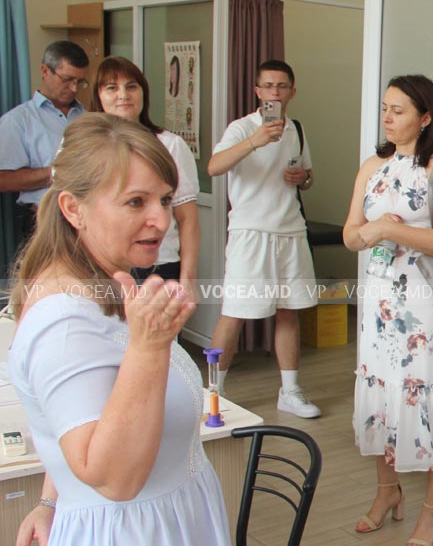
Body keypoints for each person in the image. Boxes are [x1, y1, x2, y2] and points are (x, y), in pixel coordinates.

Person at [9, 113, 229, 546]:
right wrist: (149, 347)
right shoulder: (63, 322)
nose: (161, 221)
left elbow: (77, 417)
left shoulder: (102, 283)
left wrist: (51, 499)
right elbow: (114, 478)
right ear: (74, 209)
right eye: (135, 202)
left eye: (165, 200)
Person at [341, 74, 433, 545]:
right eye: (385, 109)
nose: (388, 118)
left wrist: (389, 230)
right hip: (379, 304)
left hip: (426, 307)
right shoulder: (372, 165)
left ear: (426, 117)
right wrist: (370, 231)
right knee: (381, 397)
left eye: (398, 110)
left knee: (428, 399)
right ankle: (387, 493)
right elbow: (351, 234)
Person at [207, 59, 320, 418]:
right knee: (234, 314)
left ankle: (290, 391)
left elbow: (308, 177)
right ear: (257, 91)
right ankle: (213, 393)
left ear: (292, 91)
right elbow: (214, 166)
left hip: (290, 231)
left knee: (288, 312)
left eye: (281, 86)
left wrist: (303, 178)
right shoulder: (242, 128)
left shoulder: (297, 129)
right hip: (250, 233)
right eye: (268, 86)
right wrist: (254, 142)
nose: (274, 92)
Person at [89, 56, 200, 291]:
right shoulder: (80, 145)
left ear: (143, 93)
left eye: (131, 86)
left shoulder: (170, 145)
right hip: (95, 263)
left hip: (157, 265)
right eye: (112, 88)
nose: (123, 95)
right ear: (98, 95)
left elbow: (187, 219)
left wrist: (188, 279)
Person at [0, 41, 90, 238]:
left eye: (80, 82)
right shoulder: (18, 121)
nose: (74, 88)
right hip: (45, 222)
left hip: (89, 220)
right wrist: (56, 172)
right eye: (67, 79)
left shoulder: (89, 118)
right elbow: (3, 180)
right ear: (44, 71)